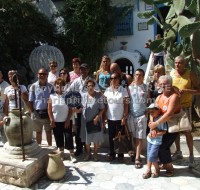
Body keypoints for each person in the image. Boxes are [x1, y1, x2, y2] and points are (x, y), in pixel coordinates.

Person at [149, 75, 181, 177]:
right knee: (158, 147)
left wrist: (156, 123)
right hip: (160, 127)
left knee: (163, 147)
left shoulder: (174, 97)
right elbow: (152, 112)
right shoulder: (158, 97)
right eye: (161, 84)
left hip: (171, 128)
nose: (163, 85)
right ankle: (164, 164)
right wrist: (153, 126)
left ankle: (170, 167)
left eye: (165, 83)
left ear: (170, 85)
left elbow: (169, 114)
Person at [170, 56, 200, 164]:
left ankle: (191, 154)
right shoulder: (172, 74)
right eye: (176, 63)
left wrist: (187, 90)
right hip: (174, 107)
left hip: (186, 106)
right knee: (176, 131)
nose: (177, 65)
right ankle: (178, 152)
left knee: (187, 132)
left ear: (185, 64)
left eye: (180, 63)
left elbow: (198, 90)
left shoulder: (190, 74)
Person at [68, 63, 100, 156]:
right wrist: (73, 105)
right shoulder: (76, 81)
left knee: (88, 128)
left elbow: (97, 92)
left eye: (84, 69)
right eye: (81, 69)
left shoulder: (92, 81)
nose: (82, 71)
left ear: (88, 70)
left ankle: (88, 149)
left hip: (89, 107)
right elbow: (69, 91)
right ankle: (79, 148)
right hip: (79, 107)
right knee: (78, 129)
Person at [104, 72, 129, 162]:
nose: (113, 80)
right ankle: (112, 153)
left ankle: (120, 154)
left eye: (115, 78)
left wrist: (124, 117)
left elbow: (126, 105)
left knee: (120, 137)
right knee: (111, 137)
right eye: (111, 78)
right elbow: (105, 105)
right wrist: (105, 117)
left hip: (120, 118)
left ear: (119, 79)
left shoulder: (123, 90)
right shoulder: (107, 90)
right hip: (110, 118)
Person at [127, 69, 150, 168]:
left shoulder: (146, 88)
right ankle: (134, 152)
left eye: (140, 75)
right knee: (133, 136)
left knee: (140, 137)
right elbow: (126, 102)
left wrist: (147, 112)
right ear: (134, 76)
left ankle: (137, 158)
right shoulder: (129, 88)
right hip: (131, 115)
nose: (138, 76)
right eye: (136, 75)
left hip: (142, 115)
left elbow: (149, 101)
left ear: (143, 76)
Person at [48, 78, 75, 161]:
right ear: (55, 86)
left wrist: (67, 120)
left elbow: (70, 109)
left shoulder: (67, 96)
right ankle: (62, 153)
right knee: (58, 138)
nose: (59, 86)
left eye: (60, 85)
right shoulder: (51, 96)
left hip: (66, 121)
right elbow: (49, 110)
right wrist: (52, 120)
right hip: (56, 122)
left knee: (68, 137)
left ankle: (72, 154)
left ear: (63, 86)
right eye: (57, 85)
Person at [78, 79, 105, 161]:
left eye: (92, 86)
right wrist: (77, 110)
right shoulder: (83, 96)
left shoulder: (98, 96)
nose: (90, 87)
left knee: (96, 139)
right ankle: (88, 154)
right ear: (86, 87)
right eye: (88, 86)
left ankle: (95, 154)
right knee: (87, 139)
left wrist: (97, 117)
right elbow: (80, 107)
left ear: (94, 87)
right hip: (85, 121)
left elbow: (102, 109)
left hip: (95, 120)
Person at [29, 68, 54, 146]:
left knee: (48, 132)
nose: (42, 75)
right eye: (40, 74)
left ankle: (50, 148)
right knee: (38, 132)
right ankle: (39, 148)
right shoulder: (33, 87)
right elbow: (30, 101)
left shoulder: (51, 87)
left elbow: (53, 99)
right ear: (37, 75)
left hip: (47, 113)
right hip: (37, 113)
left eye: (44, 74)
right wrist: (32, 112)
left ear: (47, 76)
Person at [143, 103, 167, 179]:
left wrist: (157, 134)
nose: (151, 113)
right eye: (150, 111)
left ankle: (157, 170)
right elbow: (150, 126)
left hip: (156, 142)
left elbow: (164, 131)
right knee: (149, 155)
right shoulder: (151, 118)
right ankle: (148, 169)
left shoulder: (161, 119)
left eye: (153, 111)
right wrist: (151, 132)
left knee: (152, 156)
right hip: (150, 140)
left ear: (158, 111)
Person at [0, 70, 9, 144]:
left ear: (2, 75)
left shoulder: (6, 85)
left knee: (4, 127)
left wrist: (6, 112)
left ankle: (5, 143)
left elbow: (7, 98)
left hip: (3, 107)